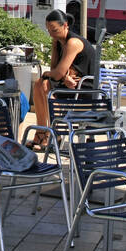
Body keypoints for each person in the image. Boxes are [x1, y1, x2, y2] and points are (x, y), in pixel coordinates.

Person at [28, 9, 96, 150]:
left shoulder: (73, 42)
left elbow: (56, 73)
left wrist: (56, 74)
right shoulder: (59, 42)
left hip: (85, 89)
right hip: (69, 85)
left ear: (65, 25)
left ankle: (52, 134)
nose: (51, 34)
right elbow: (56, 69)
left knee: (45, 84)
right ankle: (42, 133)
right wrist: (54, 45)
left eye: (54, 30)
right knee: (39, 83)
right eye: (48, 30)